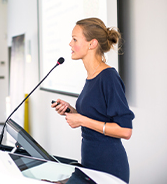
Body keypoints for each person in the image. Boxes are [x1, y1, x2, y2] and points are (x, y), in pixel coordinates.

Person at [51, 18, 135, 183]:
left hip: (109, 169)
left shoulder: (109, 77)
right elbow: (96, 116)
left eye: (75, 39)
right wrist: (72, 111)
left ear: (92, 44)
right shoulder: (92, 76)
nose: (70, 43)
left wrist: (81, 119)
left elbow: (125, 130)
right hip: (90, 165)